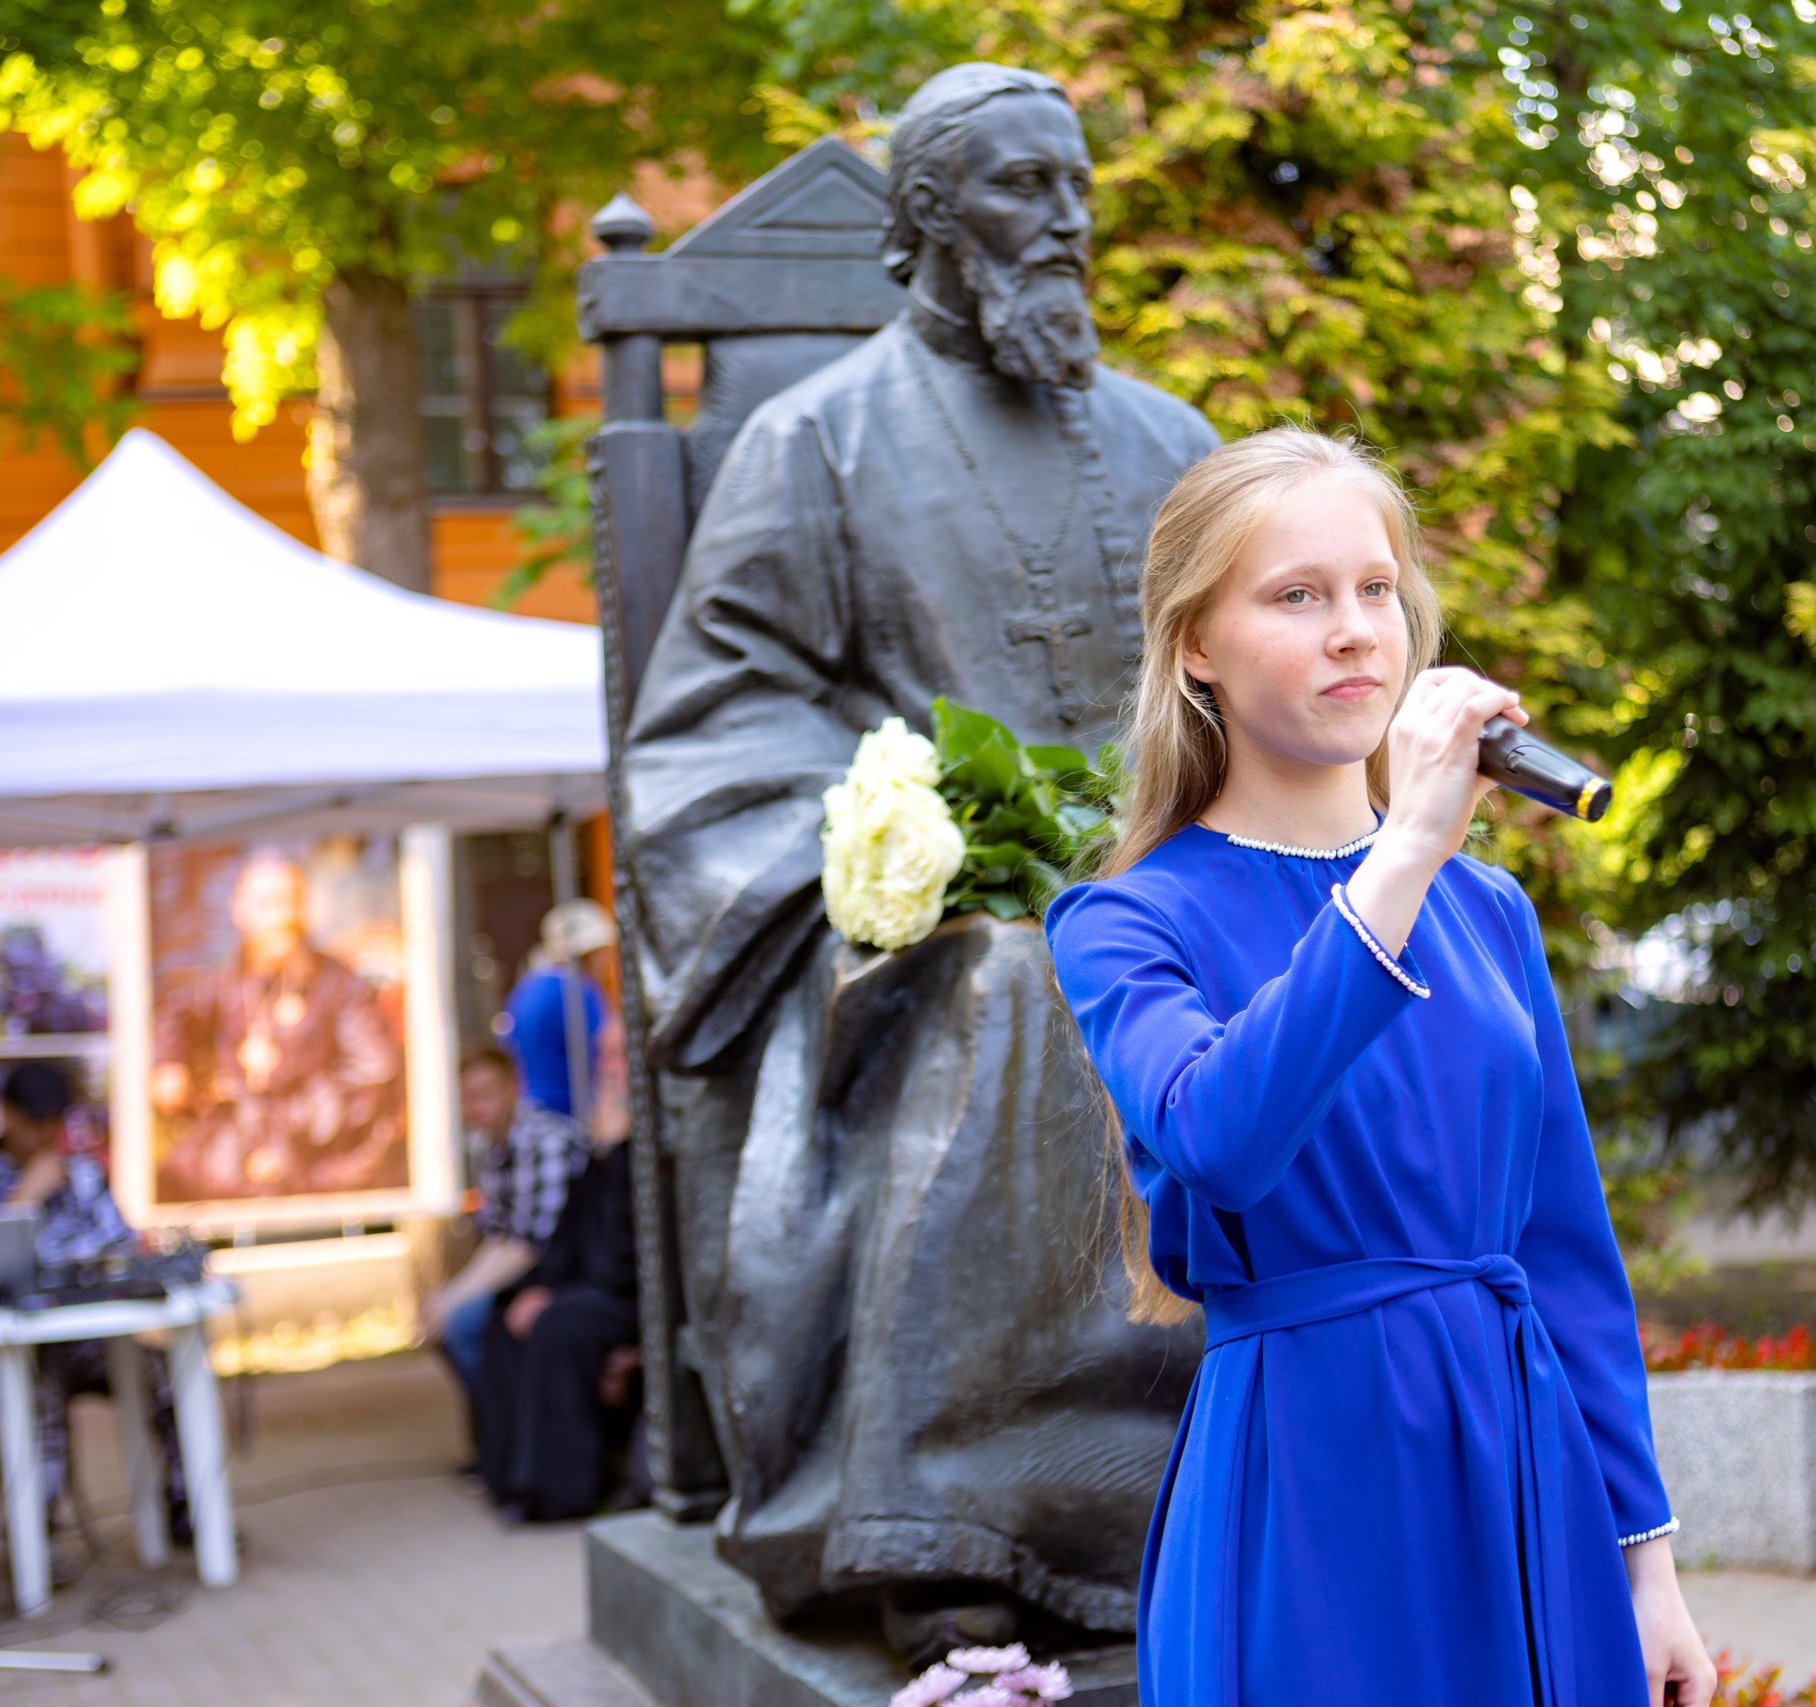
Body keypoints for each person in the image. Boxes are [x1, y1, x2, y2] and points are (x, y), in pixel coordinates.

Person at [617, 61, 1216, 1630]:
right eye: (1027, 188)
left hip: (1183, 882)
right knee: (1020, 980)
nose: (1070, 222)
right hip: (932, 945)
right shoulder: (813, 442)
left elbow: (1266, 669)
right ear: (933, 217)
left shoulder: (1173, 442)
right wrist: (909, 833)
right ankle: (961, 1520)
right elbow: (710, 725)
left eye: (1080, 186)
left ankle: (1307, 1461)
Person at [1045, 429, 1715, 1707]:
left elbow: (1565, 1246)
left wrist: (1647, 1563)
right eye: (1296, 595)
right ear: (1195, 646)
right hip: (1313, 1472)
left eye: (1373, 589)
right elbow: (1223, 1136)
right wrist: (1399, 857)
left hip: (1520, 1458)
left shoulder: (1493, 912)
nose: (1353, 629)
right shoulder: (1128, 921)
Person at [0, 1062, 182, 1532]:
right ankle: (33, 1544)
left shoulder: (82, 1174)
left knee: (164, 1374)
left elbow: (120, 1243)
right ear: (7, 1115)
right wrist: (23, 1200)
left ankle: (185, 1510)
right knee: (39, 1405)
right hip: (10, 1354)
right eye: (35, 1123)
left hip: (84, 1342)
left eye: (54, 1122)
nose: (45, 1135)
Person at [151, 848, 405, 1199]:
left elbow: (372, 1079)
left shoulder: (341, 988)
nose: (282, 916)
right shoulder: (227, 987)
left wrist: (282, 1130)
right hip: (227, 1172)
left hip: (318, 1174)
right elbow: (174, 1014)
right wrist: (169, 1063)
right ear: (239, 910)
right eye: (268, 903)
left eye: (291, 901)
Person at [473, 1024, 639, 1522]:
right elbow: (573, 1231)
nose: (611, 1070)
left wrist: (616, 1152)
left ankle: (561, 1491)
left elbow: (627, 1246)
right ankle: (508, 1476)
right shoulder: (606, 1137)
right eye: (604, 1056)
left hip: (633, 1292)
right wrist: (545, 1285)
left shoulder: (643, 1136)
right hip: (596, 1282)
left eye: (620, 1056)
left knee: (557, 1325)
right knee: (507, 1311)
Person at [422, 1047, 590, 1406]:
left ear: (514, 1087)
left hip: (569, 1274)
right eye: (468, 1098)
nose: (476, 1108)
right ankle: (501, 1432)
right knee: (448, 1317)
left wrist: (455, 1299)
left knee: (461, 1323)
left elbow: (530, 1244)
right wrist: (449, 1296)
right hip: (534, 1270)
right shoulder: (495, 1148)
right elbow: (501, 1237)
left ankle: (512, 1427)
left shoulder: (545, 1142)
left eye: (486, 1094)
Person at [498, 900, 614, 1119]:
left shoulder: (528, 985)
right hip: (564, 1114)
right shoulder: (578, 990)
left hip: (525, 1112)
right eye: (602, 952)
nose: (606, 962)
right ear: (589, 953)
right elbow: (603, 1053)